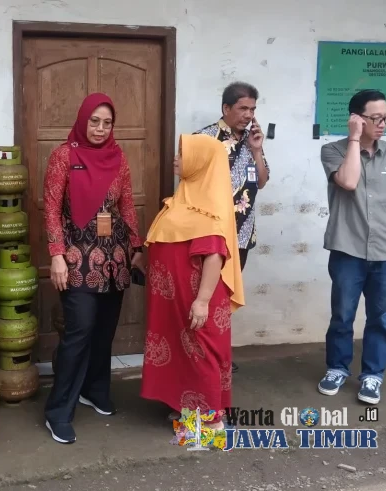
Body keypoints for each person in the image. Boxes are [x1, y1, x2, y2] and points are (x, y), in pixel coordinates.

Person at [42, 93, 144, 444]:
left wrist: (136, 247)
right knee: (80, 330)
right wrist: (56, 254)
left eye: (107, 123)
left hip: (114, 256)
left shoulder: (118, 157)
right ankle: (58, 411)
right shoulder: (63, 156)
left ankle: (94, 389)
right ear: (83, 120)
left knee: (104, 330)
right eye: (94, 121)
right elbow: (51, 208)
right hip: (76, 255)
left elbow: (126, 205)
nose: (100, 129)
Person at [140, 133, 245, 429]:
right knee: (182, 352)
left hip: (197, 297)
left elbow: (214, 256)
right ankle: (187, 407)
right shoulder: (184, 199)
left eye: (183, 154)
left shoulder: (208, 208)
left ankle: (210, 424)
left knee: (201, 353)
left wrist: (202, 301)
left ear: (201, 162)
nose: (176, 159)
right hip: (175, 298)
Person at [318, 89, 386, 405]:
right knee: (342, 315)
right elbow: (348, 182)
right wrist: (355, 139)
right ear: (357, 119)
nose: (383, 123)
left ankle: (372, 375)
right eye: (375, 118)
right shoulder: (333, 151)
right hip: (347, 250)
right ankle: (337, 368)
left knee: (380, 318)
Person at [195, 81, 268, 373]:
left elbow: (262, 181)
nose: (248, 115)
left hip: (242, 235)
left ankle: (219, 353)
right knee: (205, 296)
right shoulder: (204, 139)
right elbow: (191, 186)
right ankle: (201, 355)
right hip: (212, 235)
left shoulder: (252, 139)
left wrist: (257, 151)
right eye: (242, 108)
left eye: (252, 109)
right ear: (226, 108)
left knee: (226, 298)